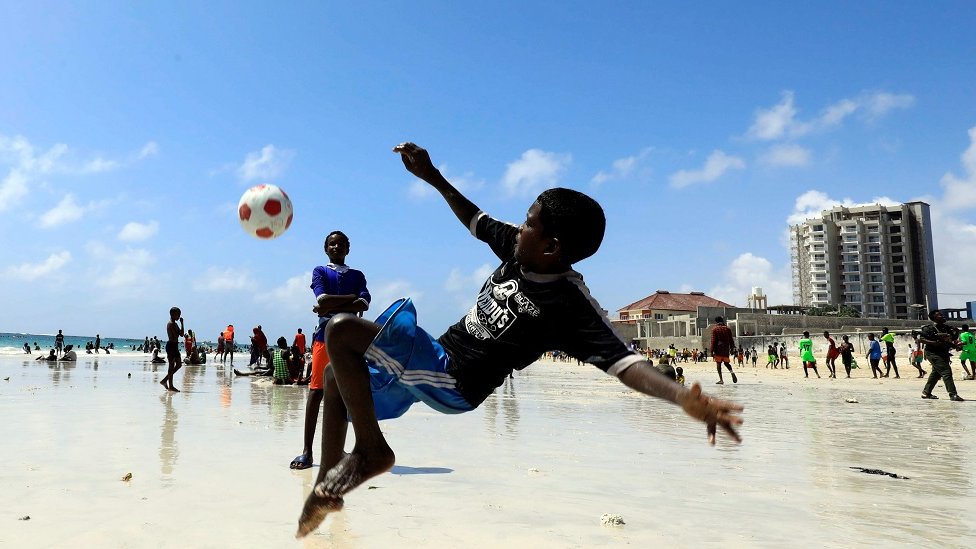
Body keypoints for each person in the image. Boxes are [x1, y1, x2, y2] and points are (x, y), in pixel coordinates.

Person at [294, 142, 743, 537]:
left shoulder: (570, 305)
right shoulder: (519, 247)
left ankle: (371, 450)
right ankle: (329, 487)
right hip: (434, 358)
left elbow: (626, 363)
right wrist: (431, 175)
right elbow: (474, 217)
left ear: (550, 247)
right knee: (335, 375)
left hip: (457, 381)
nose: (518, 229)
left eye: (528, 224)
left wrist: (683, 397)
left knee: (341, 329)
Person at [290, 230, 371, 471]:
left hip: (350, 341)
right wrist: (348, 301)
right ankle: (307, 451)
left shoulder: (358, 275)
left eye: (340, 244)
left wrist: (329, 304)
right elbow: (324, 299)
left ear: (348, 248)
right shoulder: (320, 271)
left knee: (349, 396)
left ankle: (341, 450)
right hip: (323, 339)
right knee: (316, 392)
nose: (336, 247)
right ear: (326, 249)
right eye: (331, 244)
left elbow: (364, 303)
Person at [919, 310, 965, 401]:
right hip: (933, 353)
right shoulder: (929, 328)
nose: (943, 316)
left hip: (943, 353)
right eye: (940, 315)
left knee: (936, 373)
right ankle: (953, 394)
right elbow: (921, 339)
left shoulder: (946, 328)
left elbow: (952, 339)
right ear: (934, 318)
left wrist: (957, 333)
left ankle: (926, 392)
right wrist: (934, 343)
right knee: (946, 371)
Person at [160, 307, 185, 392]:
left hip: (175, 345)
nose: (179, 316)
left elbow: (181, 334)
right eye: (178, 314)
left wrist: (182, 323)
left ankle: (164, 380)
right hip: (171, 345)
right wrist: (179, 330)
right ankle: (171, 386)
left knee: (178, 365)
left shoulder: (175, 323)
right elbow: (177, 335)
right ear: (173, 314)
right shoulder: (170, 324)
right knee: (171, 366)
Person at [709, 317, 737, 384]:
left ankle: (721, 380)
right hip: (726, 348)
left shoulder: (715, 329)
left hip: (718, 349)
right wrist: (732, 348)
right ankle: (732, 372)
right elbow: (731, 339)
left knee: (719, 364)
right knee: (726, 363)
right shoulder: (727, 328)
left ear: (716, 322)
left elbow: (713, 341)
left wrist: (711, 350)